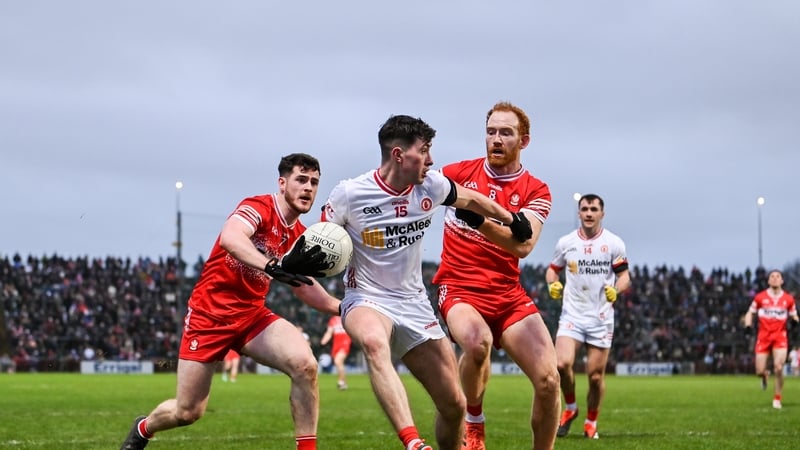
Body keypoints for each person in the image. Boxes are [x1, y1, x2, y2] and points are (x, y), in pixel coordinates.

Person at [321, 114, 533, 450]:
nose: (432, 160)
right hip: (366, 298)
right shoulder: (349, 194)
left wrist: (510, 218)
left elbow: (471, 199)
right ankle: (413, 442)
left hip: (414, 303)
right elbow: (322, 240)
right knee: (375, 345)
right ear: (399, 155)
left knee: (454, 405)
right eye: (425, 150)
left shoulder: (430, 185)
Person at [120, 153, 341, 450]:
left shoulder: (299, 235)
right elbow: (231, 237)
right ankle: (144, 427)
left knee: (305, 365)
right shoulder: (258, 207)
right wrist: (271, 266)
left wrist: (341, 307)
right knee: (187, 412)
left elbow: (304, 286)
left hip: (252, 317)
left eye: (314, 182)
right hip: (209, 316)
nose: (308, 188)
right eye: (301, 180)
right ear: (282, 183)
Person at [432, 101, 560, 450]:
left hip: (507, 294)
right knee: (477, 344)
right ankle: (474, 420)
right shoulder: (456, 173)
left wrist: (477, 218)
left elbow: (523, 245)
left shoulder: (537, 190)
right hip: (458, 287)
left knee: (550, 380)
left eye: (506, 132)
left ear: (524, 141)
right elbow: (411, 186)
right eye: (491, 132)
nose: (497, 139)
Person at [545, 194, 630, 440]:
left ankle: (591, 421)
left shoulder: (614, 243)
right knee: (561, 364)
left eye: (594, 209)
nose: (589, 213)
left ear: (602, 213)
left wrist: (617, 289)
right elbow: (552, 270)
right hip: (572, 314)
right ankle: (570, 408)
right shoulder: (566, 243)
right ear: (579, 213)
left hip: (600, 318)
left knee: (594, 376)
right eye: (585, 209)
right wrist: (553, 285)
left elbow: (624, 276)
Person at [743, 269, 799, 409]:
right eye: (772, 276)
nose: (774, 278)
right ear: (768, 281)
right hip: (764, 337)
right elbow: (750, 313)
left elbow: (794, 315)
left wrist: (795, 321)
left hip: (780, 337)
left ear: (782, 281)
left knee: (779, 367)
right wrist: (748, 325)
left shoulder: (788, 299)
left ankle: (777, 398)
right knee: (759, 371)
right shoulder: (760, 297)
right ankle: (764, 375)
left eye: (777, 276)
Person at [320, 314, 353, 390]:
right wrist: (324, 341)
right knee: (338, 363)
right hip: (336, 345)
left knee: (338, 361)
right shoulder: (333, 320)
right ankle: (343, 382)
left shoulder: (346, 318)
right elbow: (329, 332)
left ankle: (341, 381)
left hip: (345, 343)